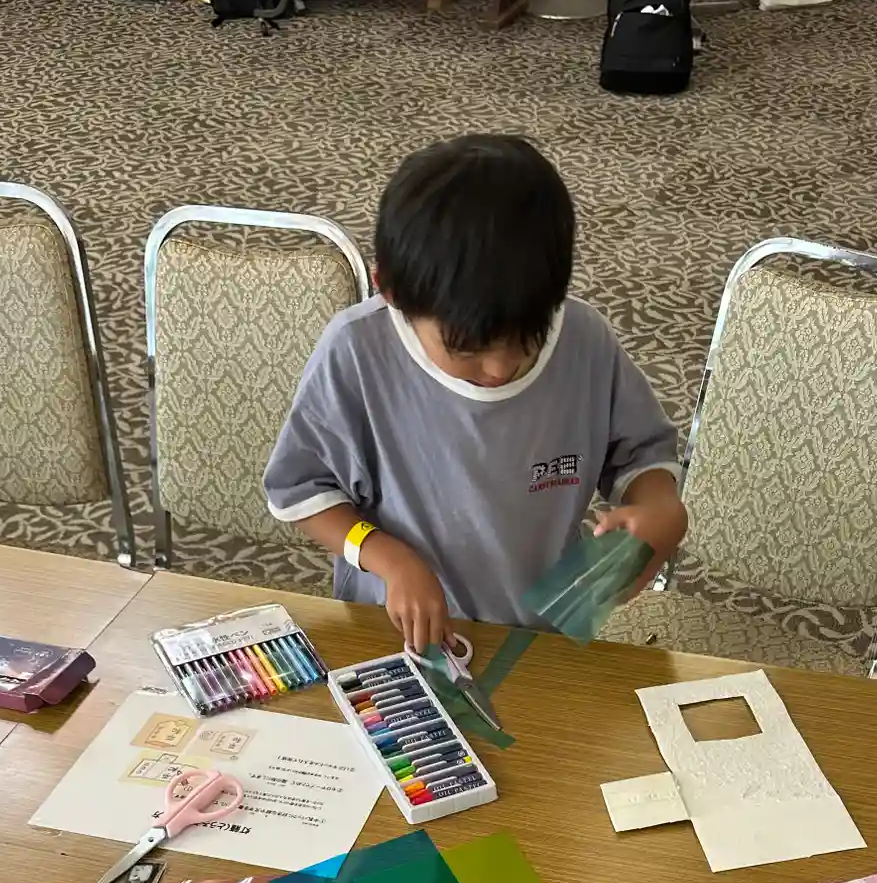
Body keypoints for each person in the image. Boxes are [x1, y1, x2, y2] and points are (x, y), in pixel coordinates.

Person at [264, 134, 687, 649]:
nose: (499, 368)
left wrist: (662, 509)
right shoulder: (356, 352)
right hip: (397, 634)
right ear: (391, 291)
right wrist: (388, 559)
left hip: (540, 638)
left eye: (528, 339)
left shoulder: (584, 340)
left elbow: (644, 457)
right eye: (466, 349)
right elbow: (301, 492)